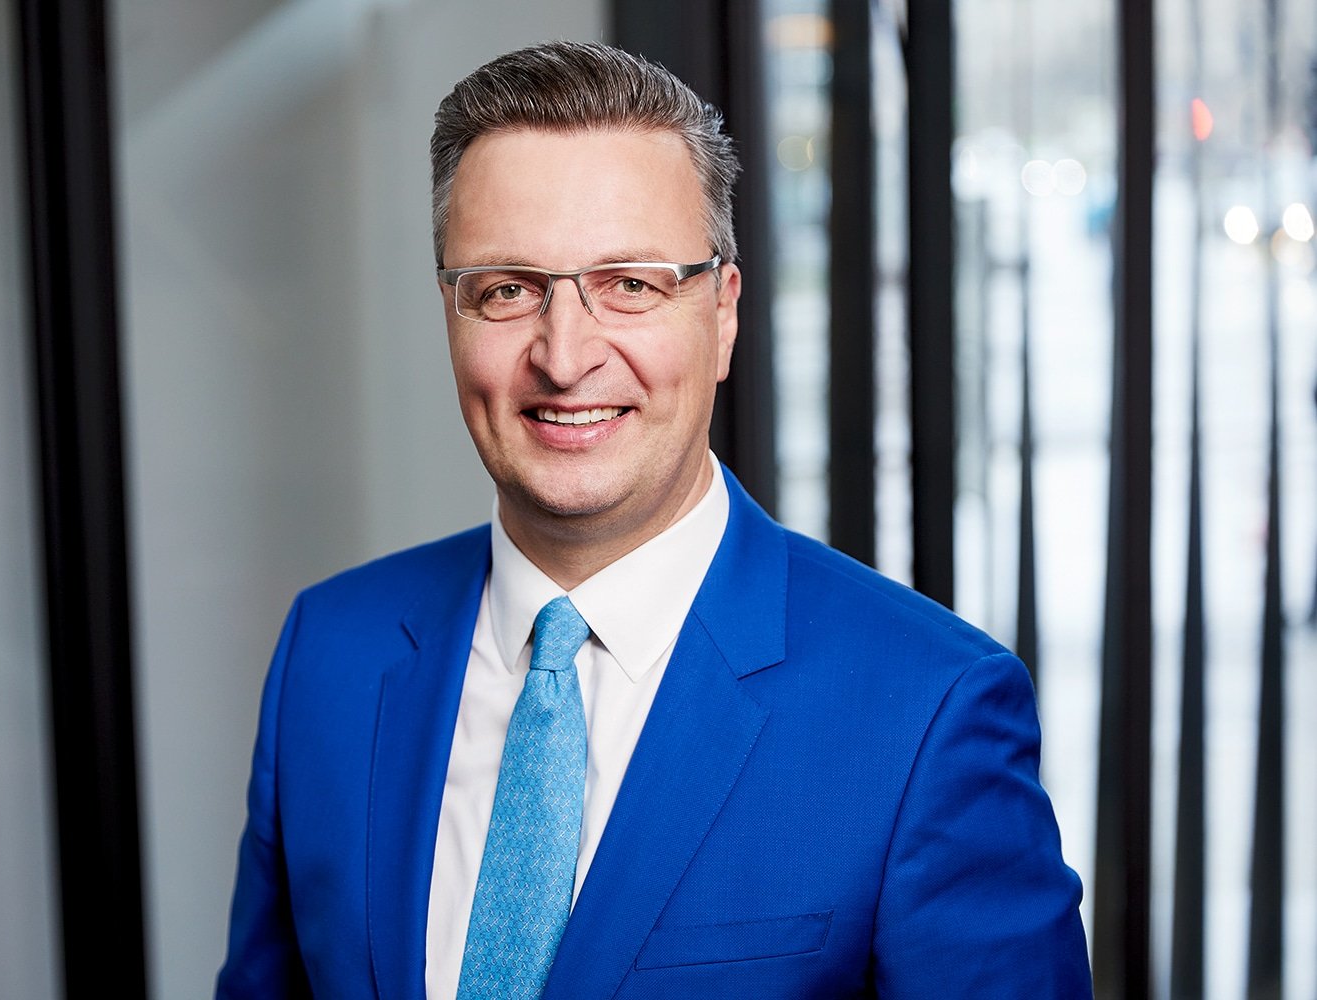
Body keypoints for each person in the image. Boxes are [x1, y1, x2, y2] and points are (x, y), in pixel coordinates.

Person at [216, 41, 1090, 999]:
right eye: (507, 290)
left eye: (630, 284)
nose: (564, 357)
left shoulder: (926, 711)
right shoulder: (329, 654)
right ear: (450, 314)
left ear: (722, 314)